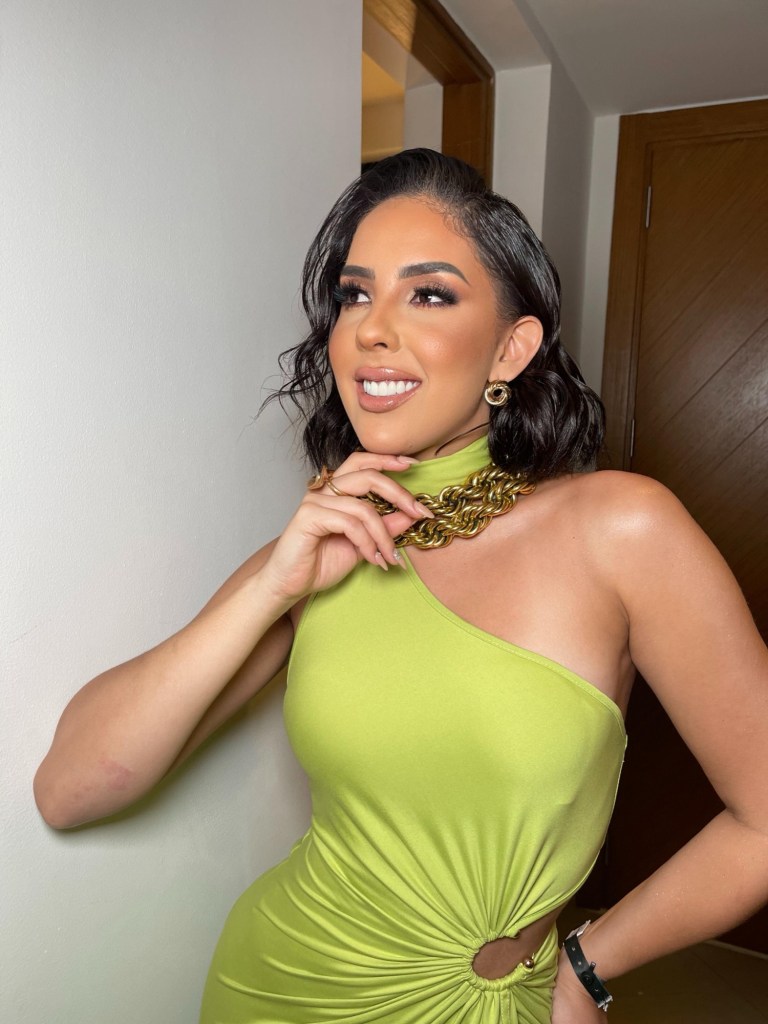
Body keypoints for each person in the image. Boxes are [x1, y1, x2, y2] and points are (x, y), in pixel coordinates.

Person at [34, 149, 768, 1024]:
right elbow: (70, 790)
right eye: (355, 295)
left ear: (511, 347)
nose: (371, 330)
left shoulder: (621, 527)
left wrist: (588, 963)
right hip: (276, 987)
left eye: (429, 295)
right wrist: (271, 586)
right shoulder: (323, 545)